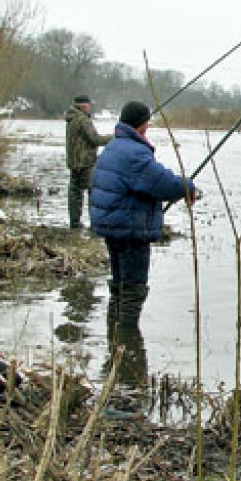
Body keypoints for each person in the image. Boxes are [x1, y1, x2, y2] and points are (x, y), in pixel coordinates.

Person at [90, 100, 197, 332]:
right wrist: (188, 187)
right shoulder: (134, 153)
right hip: (129, 231)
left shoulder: (113, 146)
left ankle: (115, 342)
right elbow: (162, 183)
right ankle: (127, 342)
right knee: (132, 290)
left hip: (113, 228)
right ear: (143, 125)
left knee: (118, 287)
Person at [64, 94, 113, 229]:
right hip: (86, 163)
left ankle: (74, 223)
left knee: (75, 193)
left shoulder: (70, 118)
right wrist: (114, 137)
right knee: (93, 192)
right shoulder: (83, 120)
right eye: (89, 105)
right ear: (85, 105)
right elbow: (95, 139)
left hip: (74, 162)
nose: (90, 108)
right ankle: (95, 225)